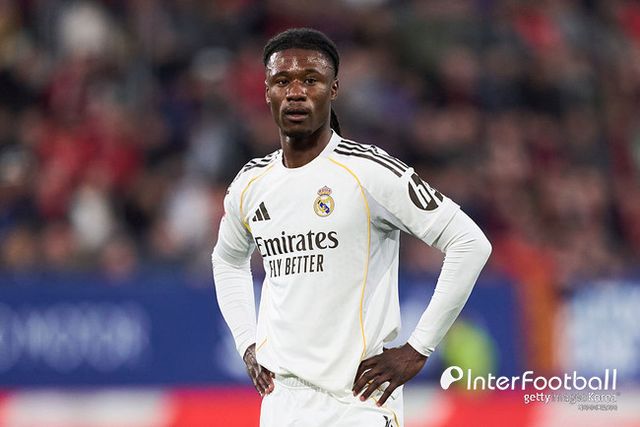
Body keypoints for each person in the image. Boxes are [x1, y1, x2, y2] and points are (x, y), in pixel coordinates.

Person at [212, 28, 491, 427]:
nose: (295, 92)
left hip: (356, 404)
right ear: (266, 92)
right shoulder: (251, 183)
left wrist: (418, 348)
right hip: (280, 404)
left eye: (310, 80)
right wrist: (246, 342)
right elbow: (227, 260)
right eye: (282, 81)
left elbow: (470, 243)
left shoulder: (370, 172)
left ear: (334, 89)